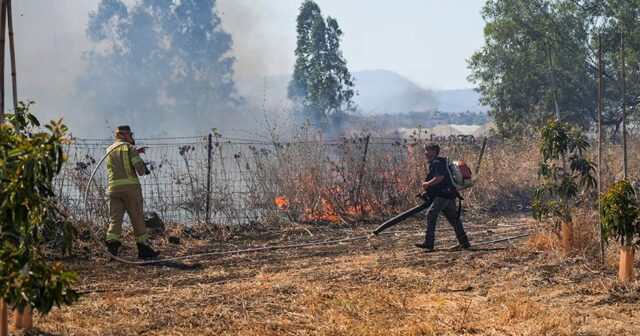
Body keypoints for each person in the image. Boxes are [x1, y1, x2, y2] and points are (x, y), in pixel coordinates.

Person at [104, 125, 160, 260]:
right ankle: (144, 250)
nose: (132, 137)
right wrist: (139, 159)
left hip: (113, 190)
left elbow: (119, 163)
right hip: (130, 190)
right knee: (137, 218)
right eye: (130, 135)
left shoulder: (109, 149)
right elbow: (140, 171)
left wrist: (135, 152)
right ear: (125, 135)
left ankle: (112, 249)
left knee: (115, 220)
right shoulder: (130, 148)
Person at [415, 143, 470, 252]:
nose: (425, 153)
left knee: (431, 214)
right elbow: (441, 181)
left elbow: (439, 178)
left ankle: (429, 242)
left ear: (434, 151)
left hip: (443, 196)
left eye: (427, 150)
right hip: (449, 195)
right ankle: (464, 242)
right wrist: (426, 193)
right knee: (454, 219)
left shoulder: (436, 162)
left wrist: (427, 184)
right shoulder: (439, 162)